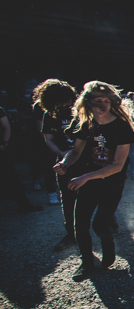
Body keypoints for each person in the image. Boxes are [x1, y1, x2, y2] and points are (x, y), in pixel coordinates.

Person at [54, 81, 134, 281]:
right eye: (98, 101)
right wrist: (64, 164)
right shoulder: (86, 124)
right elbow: (75, 151)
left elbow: (117, 165)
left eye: (106, 101)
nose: (103, 105)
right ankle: (86, 263)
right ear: (88, 103)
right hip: (88, 181)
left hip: (112, 182)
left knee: (100, 225)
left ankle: (109, 248)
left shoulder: (121, 126)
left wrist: (85, 177)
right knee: (79, 225)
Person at [38, 80, 80, 246]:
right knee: (68, 198)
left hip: (85, 161)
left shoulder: (80, 111)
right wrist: (61, 153)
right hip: (64, 162)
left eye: (68, 99)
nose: (66, 104)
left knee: (96, 192)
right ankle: (71, 233)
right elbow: (48, 139)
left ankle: (107, 223)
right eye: (61, 101)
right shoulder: (49, 115)